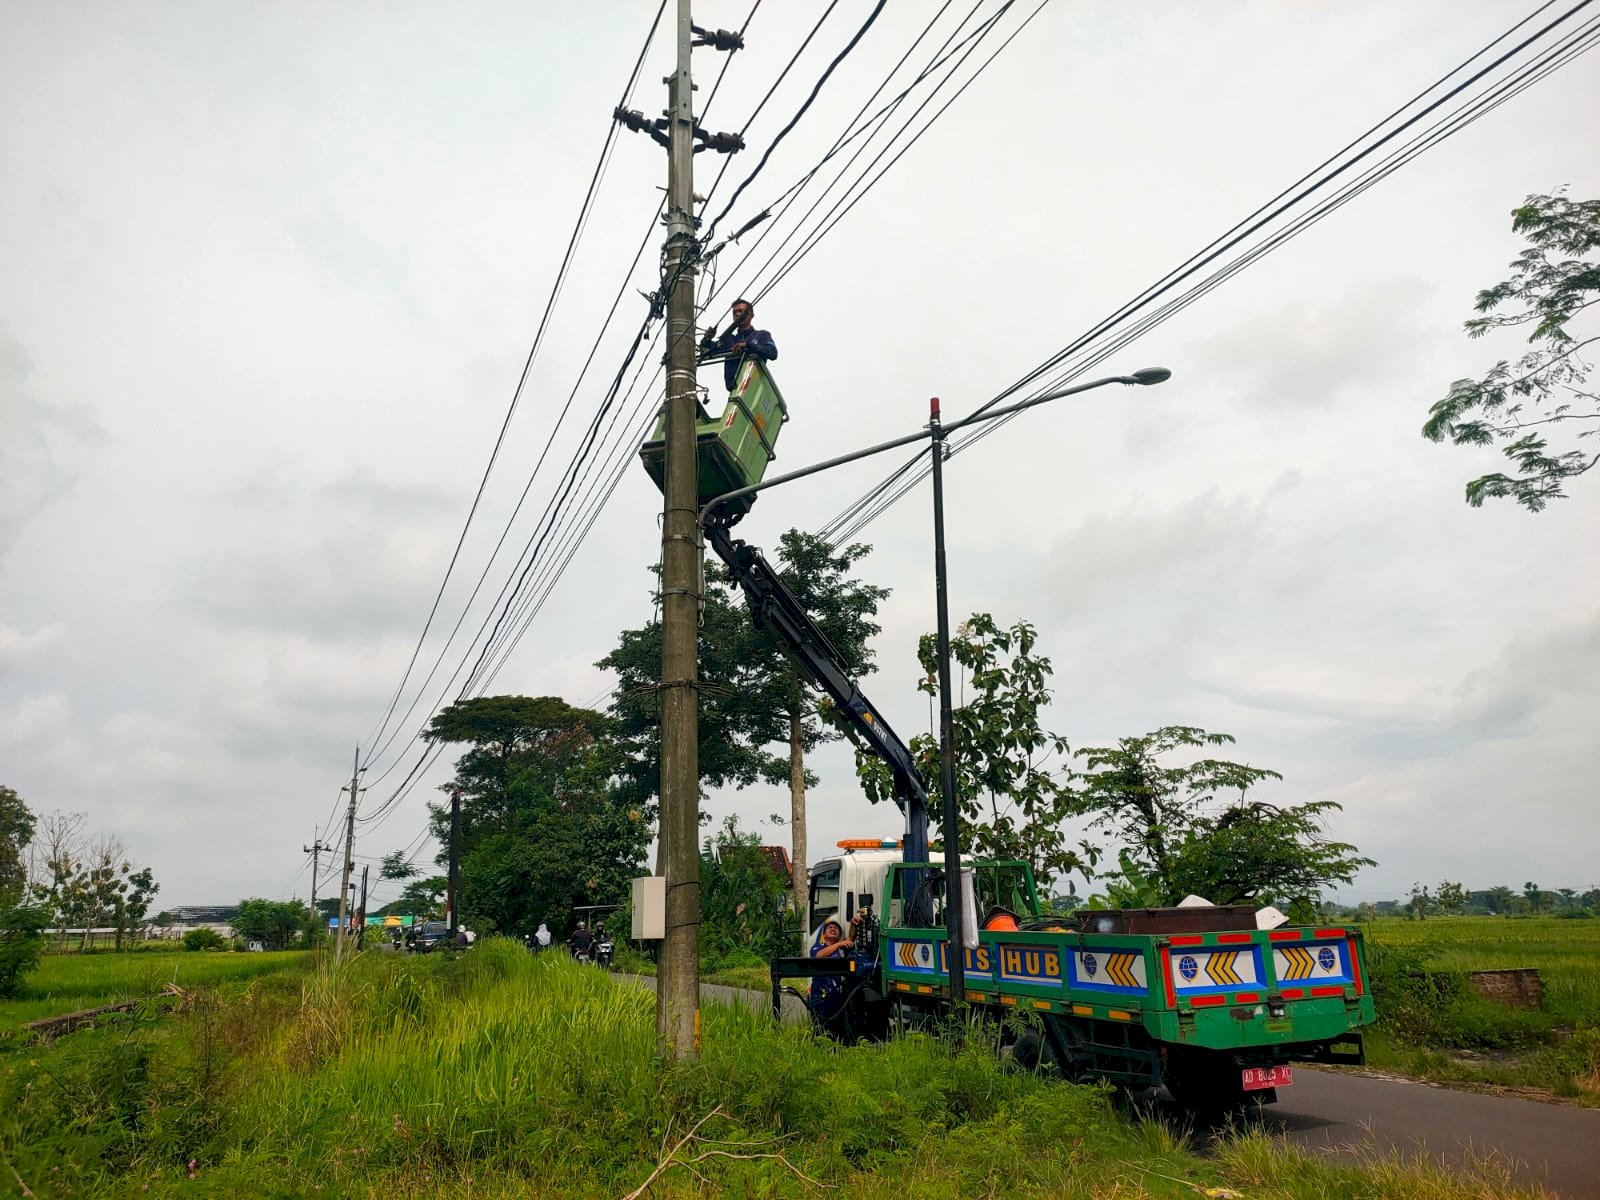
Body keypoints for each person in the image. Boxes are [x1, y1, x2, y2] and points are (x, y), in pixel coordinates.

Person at [700, 298, 778, 392]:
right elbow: (708, 351)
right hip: (735, 389)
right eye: (734, 312)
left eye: (740, 311)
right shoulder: (729, 340)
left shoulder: (761, 335)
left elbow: (773, 353)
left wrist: (748, 346)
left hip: (753, 386)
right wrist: (707, 339)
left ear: (750, 314)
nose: (737, 314)